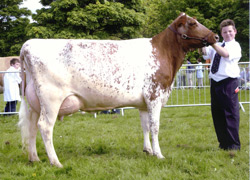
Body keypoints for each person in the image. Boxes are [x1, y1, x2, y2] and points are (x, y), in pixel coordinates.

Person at [202, 19, 241, 150]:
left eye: (230, 31)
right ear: (221, 33)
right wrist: (201, 42)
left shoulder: (235, 46)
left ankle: (234, 145)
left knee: (230, 114)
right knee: (217, 114)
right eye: (225, 32)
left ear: (235, 32)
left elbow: (224, 54)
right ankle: (223, 144)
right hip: (215, 83)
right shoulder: (217, 44)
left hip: (229, 82)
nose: (228, 33)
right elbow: (204, 53)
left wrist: (212, 43)